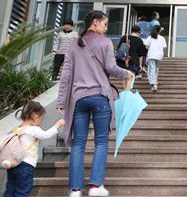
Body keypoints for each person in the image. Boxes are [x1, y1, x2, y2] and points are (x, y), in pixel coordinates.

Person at [57, 10, 133, 197]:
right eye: (105, 24)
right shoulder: (105, 42)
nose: (106, 28)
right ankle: (95, 186)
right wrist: (128, 73)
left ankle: (75, 190)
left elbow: (65, 74)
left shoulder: (74, 44)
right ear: (96, 22)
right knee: (101, 142)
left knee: (78, 144)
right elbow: (111, 68)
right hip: (100, 96)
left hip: (78, 99)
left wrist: (61, 100)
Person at [3, 102, 65, 197]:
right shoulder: (33, 129)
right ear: (35, 117)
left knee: (10, 189)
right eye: (41, 119)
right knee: (23, 191)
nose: (40, 122)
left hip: (13, 165)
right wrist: (57, 125)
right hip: (26, 166)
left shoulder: (18, 130)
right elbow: (45, 135)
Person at [143, 25, 167, 93]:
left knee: (151, 69)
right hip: (159, 55)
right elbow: (164, 47)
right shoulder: (162, 38)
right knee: (156, 68)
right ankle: (155, 81)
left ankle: (153, 84)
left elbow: (146, 46)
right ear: (159, 30)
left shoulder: (150, 37)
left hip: (152, 55)